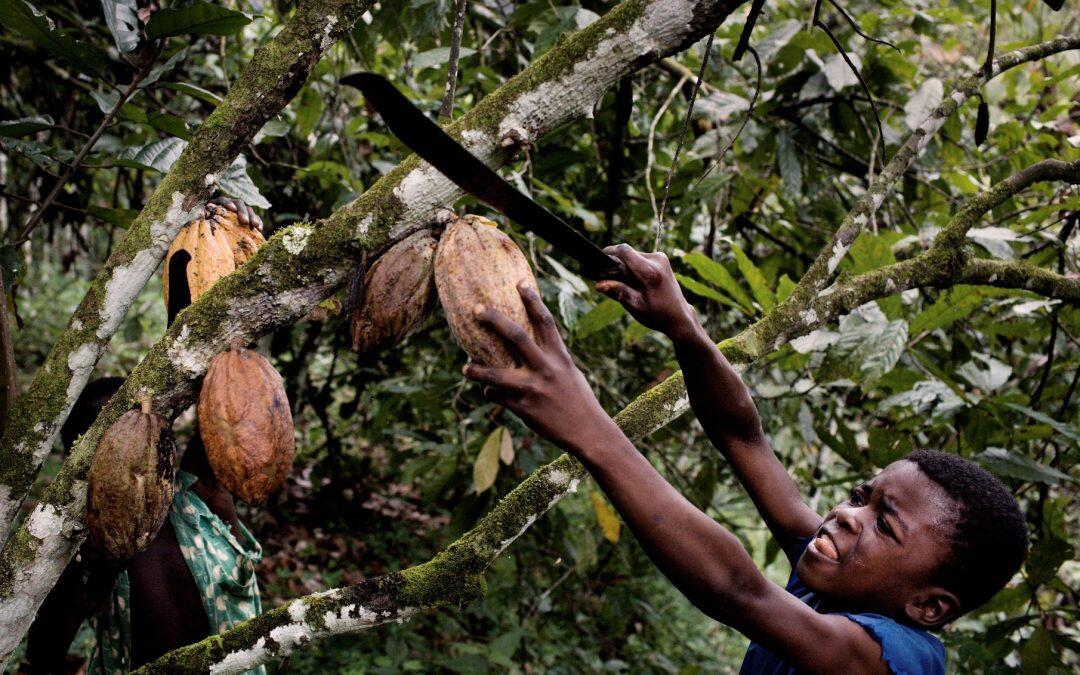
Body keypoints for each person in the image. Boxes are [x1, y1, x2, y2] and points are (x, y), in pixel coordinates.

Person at [463, 243, 1029, 674]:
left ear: (928, 606)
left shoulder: (894, 657)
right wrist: (683, 326)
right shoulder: (837, 578)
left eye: (884, 524)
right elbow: (742, 438)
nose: (849, 514)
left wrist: (590, 429)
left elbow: (738, 591)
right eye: (863, 496)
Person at [25, 199, 266, 674]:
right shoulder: (86, 547)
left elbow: (219, 370)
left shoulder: (200, 493)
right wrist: (88, 567)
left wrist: (209, 244)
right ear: (83, 460)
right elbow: (43, 652)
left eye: (143, 433)